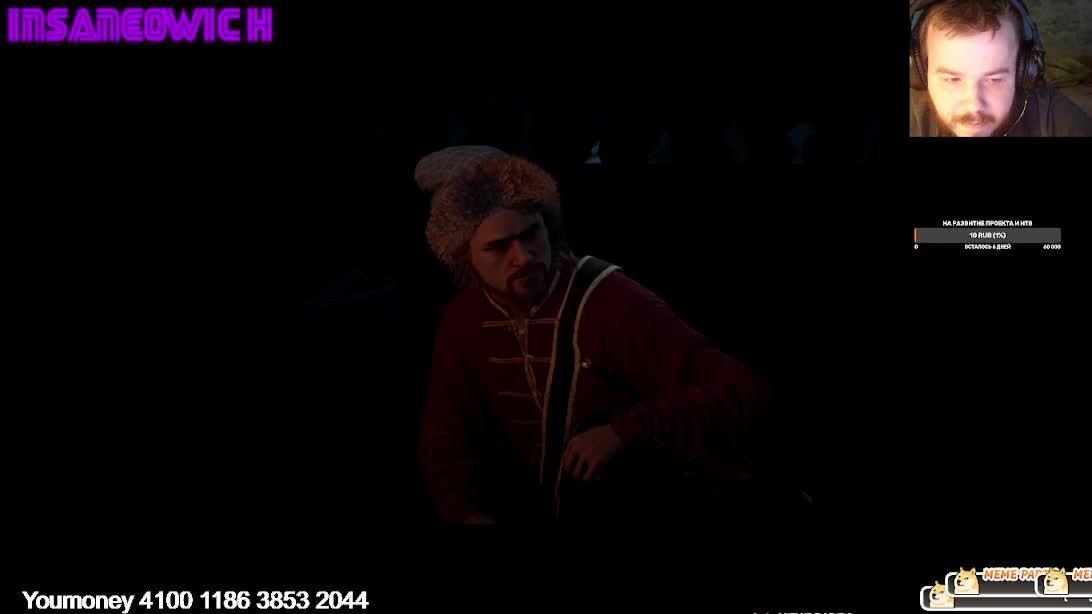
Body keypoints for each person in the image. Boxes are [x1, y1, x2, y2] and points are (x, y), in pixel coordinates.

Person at [414, 145, 777, 527]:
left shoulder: (609, 301)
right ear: (463, 256)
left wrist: (624, 431)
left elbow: (744, 390)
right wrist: (467, 513)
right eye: (498, 247)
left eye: (531, 233)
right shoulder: (463, 320)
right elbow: (446, 437)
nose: (523, 257)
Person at [909, 0, 1092, 137]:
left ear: (1023, 71)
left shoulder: (1063, 124)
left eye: (994, 79)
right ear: (921, 71)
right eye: (952, 79)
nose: (974, 105)